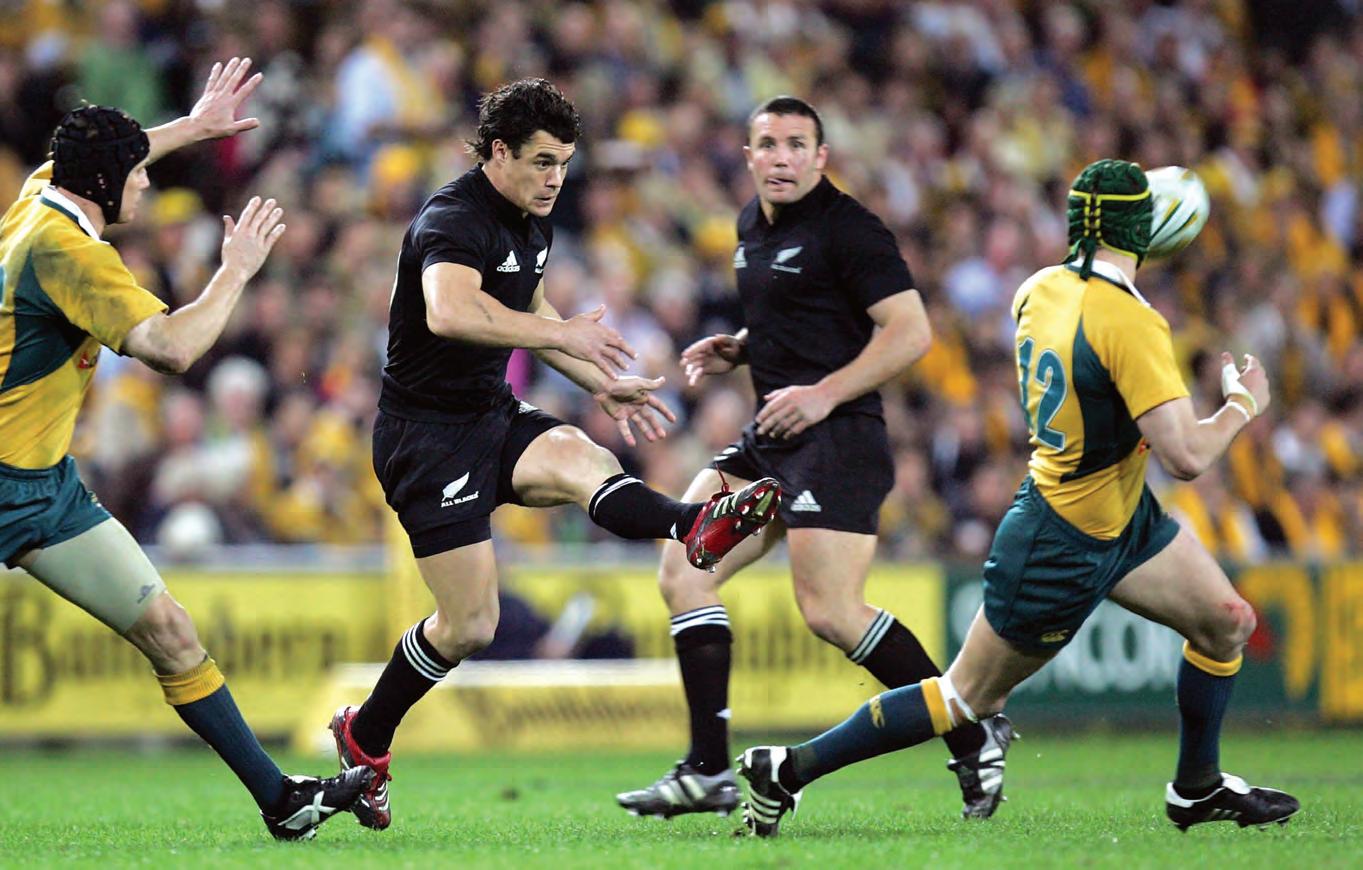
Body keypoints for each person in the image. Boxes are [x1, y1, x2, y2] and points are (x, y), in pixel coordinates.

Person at [735, 158, 1301, 836]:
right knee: (963, 698)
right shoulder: (1130, 321)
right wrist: (1242, 404)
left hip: (1119, 512)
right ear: (1143, 232)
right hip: (1063, 537)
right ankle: (787, 769)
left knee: (1226, 622)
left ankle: (1196, 788)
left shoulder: (1040, 288)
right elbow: (1186, 456)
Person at [327, 78, 780, 831]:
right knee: (469, 624)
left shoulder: (530, 221)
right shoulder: (452, 218)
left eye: (564, 164)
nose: (554, 179)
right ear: (497, 152)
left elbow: (529, 306)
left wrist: (601, 384)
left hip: (490, 414)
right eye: (542, 162)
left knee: (580, 456)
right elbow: (449, 311)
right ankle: (365, 734)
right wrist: (564, 336)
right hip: (425, 439)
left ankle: (693, 524)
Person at [0, 58, 372, 840]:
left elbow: (112, 156)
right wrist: (234, 272)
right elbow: (171, 348)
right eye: (135, 173)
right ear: (105, 184)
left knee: (170, 631)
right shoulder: (71, 254)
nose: (147, 182)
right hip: (6, 479)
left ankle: (281, 801)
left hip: (44, 487)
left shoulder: (41, 193)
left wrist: (196, 126)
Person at [616, 96, 1013, 822]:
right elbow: (802, 314)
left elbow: (910, 331)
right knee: (683, 568)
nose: (782, 157)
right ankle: (707, 770)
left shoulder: (850, 229)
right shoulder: (750, 225)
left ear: (821, 157)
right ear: (748, 156)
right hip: (772, 435)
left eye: (797, 144)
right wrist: (742, 347)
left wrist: (825, 394)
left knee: (830, 611)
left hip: (839, 437)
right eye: (768, 143)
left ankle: (971, 731)